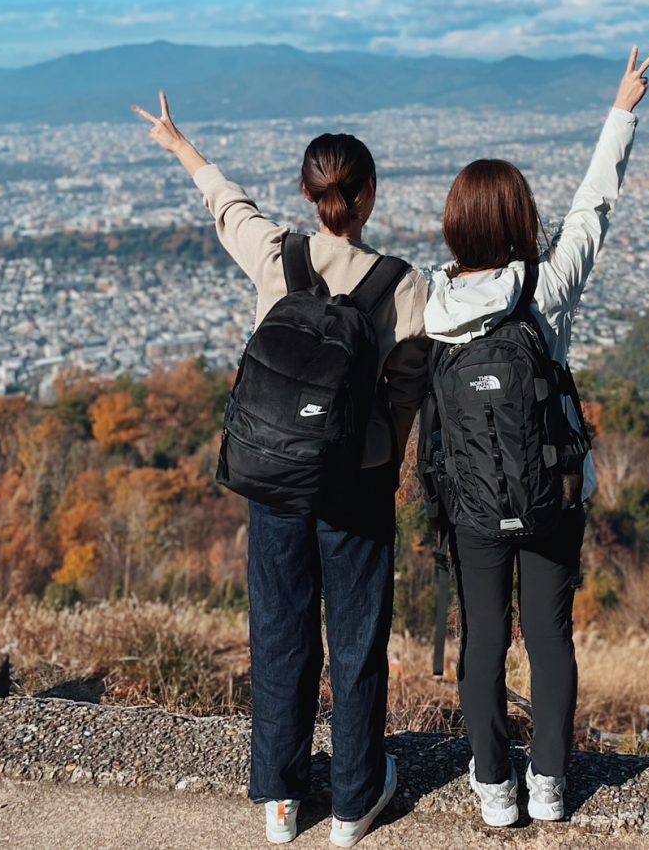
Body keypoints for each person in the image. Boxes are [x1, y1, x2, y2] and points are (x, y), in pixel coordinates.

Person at [133, 93, 429, 846]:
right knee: (356, 639)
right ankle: (357, 801)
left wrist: (179, 144)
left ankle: (280, 799)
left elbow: (227, 205)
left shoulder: (279, 256)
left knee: (279, 630)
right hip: (356, 487)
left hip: (276, 482)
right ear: (369, 194)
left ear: (307, 194)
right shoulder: (401, 285)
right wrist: (385, 459)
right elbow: (406, 391)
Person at [422, 46, 649, 827]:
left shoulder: (433, 307)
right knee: (550, 638)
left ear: (455, 225)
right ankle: (551, 782)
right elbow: (594, 208)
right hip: (550, 493)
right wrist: (622, 110)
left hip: (474, 502)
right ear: (522, 220)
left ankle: (494, 788)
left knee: (483, 639)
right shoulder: (544, 291)